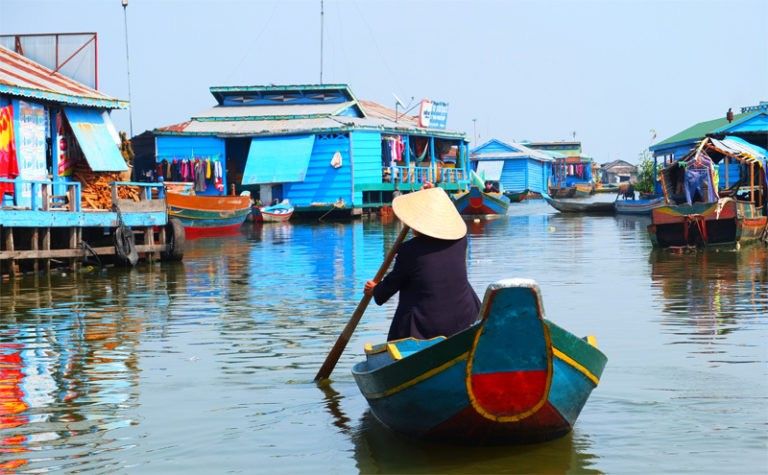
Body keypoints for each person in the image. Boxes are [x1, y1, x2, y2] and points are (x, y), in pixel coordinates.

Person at [364, 187, 480, 341]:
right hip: (466, 318)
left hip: (426, 328)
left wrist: (375, 290)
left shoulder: (409, 250)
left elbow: (389, 287)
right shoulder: (460, 240)